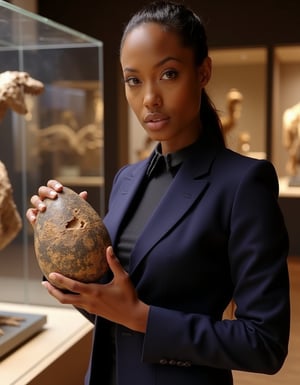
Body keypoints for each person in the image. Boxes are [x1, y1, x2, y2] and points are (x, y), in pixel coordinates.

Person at [26, 1, 290, 385]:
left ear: (203, 72)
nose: (149, 97)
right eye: (133, 80)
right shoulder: (127, 180)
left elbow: (264, 344)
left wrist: (139, 316)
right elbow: (110, 313)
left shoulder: (244, 183)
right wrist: (67, 258)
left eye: (168, 73)